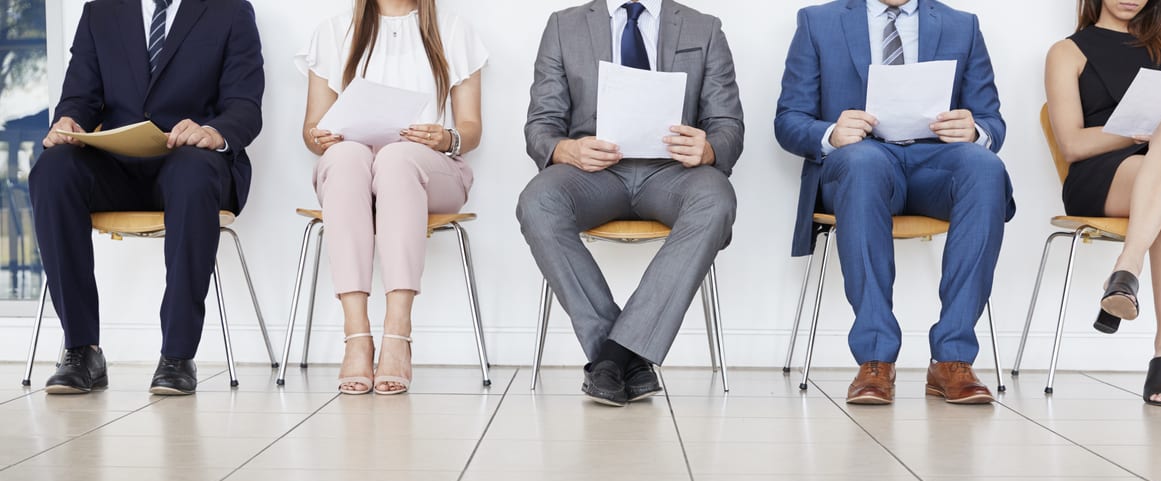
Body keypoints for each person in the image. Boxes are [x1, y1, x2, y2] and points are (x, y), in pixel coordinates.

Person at [775, 0, 1015, 405]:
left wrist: (975, 130)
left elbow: (992, 120)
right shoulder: (818, 22)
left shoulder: (963, 26)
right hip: (859, 164)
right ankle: (876, 359)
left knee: (985, 167)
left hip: (934, 164)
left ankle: (952, 358)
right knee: (863, 161)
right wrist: (831, 131)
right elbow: (789, 119)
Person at [31, 0, 264, 396]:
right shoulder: (100, 12)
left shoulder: (230, 11)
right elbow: (80, 98)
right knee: (53, 170)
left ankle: (177, 355)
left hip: (190, 162)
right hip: (116, 165)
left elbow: (245, 105)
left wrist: (213, 131)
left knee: (192, 172)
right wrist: (69, 121)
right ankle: (81, 349)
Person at [516, 0, 743, 407]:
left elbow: (728, 125)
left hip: (674, 173)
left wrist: (708, 149)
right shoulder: (563, 26)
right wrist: (567, 149)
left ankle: (612, 358)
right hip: (593, 173)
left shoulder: (703, 28)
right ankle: (627, 354)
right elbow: (541, 124)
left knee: (715, 199)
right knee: (538, 201)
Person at [299, 0, 486, 395]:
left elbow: (470, 128)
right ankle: (357, 335)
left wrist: (447, 137)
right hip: (353, 173)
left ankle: (398, 334)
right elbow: (311, 129)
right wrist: (321, 136)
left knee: (396, 158)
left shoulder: (453, 31)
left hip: (430, 172)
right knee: (347, 154)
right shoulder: (334, 31)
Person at [1045, 0, 1161, 406]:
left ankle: (1126, 270)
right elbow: (1072, 144)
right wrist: (1146, 129)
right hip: (1105, 178)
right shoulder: (1067, 52)